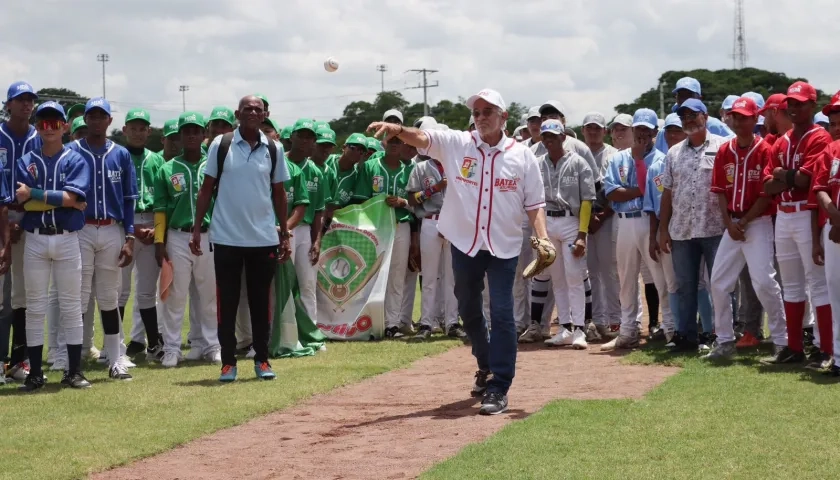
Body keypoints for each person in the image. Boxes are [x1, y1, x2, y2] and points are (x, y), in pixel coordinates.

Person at [368, 88, 550, 416]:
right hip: (465, 242)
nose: (481, 117)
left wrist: (542, 239)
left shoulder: (522, 156)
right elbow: (424, 138)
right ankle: (485, 363)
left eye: (488, 111)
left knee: (502, 311)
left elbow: (535, 203)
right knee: (467, 308)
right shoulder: (458, 144)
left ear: (503, 117)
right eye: (477, 112)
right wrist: (399, 131)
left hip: (503, 245)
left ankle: (499, 385)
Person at [194, 95, 291, 382]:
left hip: (263, 239)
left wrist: (284, 234)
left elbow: (279, 193)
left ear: (265, 115)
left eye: (257, 109)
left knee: (262, 304)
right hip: (226, 238)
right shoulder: (220, 145)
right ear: (237, 113)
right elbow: (206, 188)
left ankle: (262, 360)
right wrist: (197, 228)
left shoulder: (274, 148)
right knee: (228, 303)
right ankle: (228, 363)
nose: (251, 112)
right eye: (246, 109)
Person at [14, 101, 91, 391]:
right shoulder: (27, 160)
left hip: (67, 237)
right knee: (35, 307)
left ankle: (74, 372)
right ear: (37, 126)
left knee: (71, 306)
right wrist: (61, 198)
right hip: (34, 236)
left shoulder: (74, 159)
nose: (49, 128)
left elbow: (75, 198)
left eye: (55, 122)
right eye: (43, 122)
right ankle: (35, 373)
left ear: (65, 126)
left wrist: (35, 194)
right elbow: (21, 199)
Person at [702, 97, 786, 360]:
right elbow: (720, 192)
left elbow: (766, 195)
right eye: (735, 117)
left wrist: (744, 221)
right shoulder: (725, 150)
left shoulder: (765, 150)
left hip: (757, 223)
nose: (739, 121)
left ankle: (782, 340)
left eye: (744, 117)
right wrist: (729, 223)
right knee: (718, 281)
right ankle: (725, 341)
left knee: (763, 282)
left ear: (755, 119)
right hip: (733, 224)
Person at [761, 81, 833, 365]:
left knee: (818, 284)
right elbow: (766, 187)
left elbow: (806, 181)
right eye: (790, 103)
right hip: (785, 213)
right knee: (791, 284)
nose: (793, 107)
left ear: (812, 106)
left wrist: (782, 175)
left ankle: (825, 347)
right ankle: (794, 347)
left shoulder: (820, 137)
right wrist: (786, 177)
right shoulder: (782, 139)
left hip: (806, 213)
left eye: (800, 103)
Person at [67, 97, 137, 381]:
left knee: (109, 297)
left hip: (111, 228)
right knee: (79, 297)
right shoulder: (72, 151)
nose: (97, 120)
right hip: (81, 228)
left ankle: (116, 359)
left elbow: (129, 199)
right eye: (92, 116)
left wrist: (130, 236)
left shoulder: (120, 154)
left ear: (110, 120)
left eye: (102, 116)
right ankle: (74, 361)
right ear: (86, 119)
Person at [658, 99, 728, 352]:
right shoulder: (674, 152)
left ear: (705, 116)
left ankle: (718, 335)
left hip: (715, 228)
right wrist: (662, 229)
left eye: (692, 114)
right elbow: (667, 193)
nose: (688, 119)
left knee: (719, 285)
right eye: (683, 115)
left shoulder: (723, 147)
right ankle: (686, 336)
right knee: (685, 286)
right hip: (682, 230)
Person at [153, 112, 221, 367]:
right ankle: (171, 348)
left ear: (204, 134)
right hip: (177, 236)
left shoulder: (213, 165)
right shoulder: (167, 168)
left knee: (209, 294)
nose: (191, 135)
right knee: (176, 295)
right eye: (186, 131)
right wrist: (160, 242)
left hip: (209, 234)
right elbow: (160, 208)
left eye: (196, 130)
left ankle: (211, 345)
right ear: (179, 136)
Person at [601, 109, 671, 351]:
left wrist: (639, 168)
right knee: (626, 279)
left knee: (660, 278)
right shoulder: (619, 158)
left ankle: (670, 329)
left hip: (649, 220)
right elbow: (611, 192)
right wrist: (639, 190)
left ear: (654, 132)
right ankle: (628, 331)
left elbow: (654, 194)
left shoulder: (661, 159)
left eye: (646, 129)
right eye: (638, 128)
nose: (642, 133)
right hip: (624, 221)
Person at [533, 119, 595, 349]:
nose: (549, 140)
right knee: (557, 278)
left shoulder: (579, 163)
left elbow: (587, 199)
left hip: (570, 220)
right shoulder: (537, 163)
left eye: (553, 136)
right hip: (547, 220)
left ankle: (579, 329)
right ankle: (565, 328)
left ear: (563, 137)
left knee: (574, 276)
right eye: (545, 136)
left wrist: (582, 234)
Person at [353, 118, 416, 339]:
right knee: (372, 274)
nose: (395, 144)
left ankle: (392, 324)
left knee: (397, 275)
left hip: (401, 225)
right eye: (391, 140)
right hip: (375, 228)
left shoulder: (410, 169)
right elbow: (360, 200)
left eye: (399, 141)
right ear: (384, 142)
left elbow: (416, 202)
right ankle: (369, 323)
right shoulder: (371, 166)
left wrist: (403, 202)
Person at [406, 121, 463, 341]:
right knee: (429, 276)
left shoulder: (458, 166)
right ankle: (426, 323)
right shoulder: (421, 167)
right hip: (430, 221)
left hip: (453, 223)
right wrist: (434, 189)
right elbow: (412, 199)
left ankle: (451, 322)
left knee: (452, 277)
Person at [0, 81, 40, 383]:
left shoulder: (40, 139)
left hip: (30, 219)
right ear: (8, 104)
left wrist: (23, 219)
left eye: (30, 100)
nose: (26, 105)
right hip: (1, 215)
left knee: (23, 294)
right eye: (20, 99)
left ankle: (18, 360)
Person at [120, 108, 164, 361]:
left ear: (149, 131)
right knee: (120, 291)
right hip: (125, 225)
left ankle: (153, 345)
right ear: (125, 130)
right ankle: (114, 346)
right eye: (133, 127)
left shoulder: (156, 160)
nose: (138, 132)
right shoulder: (116, 156)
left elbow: (162, 200)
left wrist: (156, 231)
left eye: (142, 128)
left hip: (151, 223)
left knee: (147, 292)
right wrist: (132, 228)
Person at [581, 112, 620, 341]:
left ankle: (615, 320)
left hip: (607, 218)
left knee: (610, 271)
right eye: (589, 128)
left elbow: (616, 188)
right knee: (590, 271)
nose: (593, 131)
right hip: (584, 220)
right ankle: (597, 320)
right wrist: (586, 219)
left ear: (604, 131)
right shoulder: (577, 153)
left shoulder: (613, 154)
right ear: (583, 130)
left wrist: (603, 215)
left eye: (597, 128)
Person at [285, 119, 325, 323]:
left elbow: (319, 211)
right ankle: (284, 332)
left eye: (310, 137)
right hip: (281, 230)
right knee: (283, 284)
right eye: (301, 135)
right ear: (291, 137)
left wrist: (317, 241)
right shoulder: (279, 164)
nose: (305, 141)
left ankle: (312, 333)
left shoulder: (316, 171)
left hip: (305, 232)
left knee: (308, 283)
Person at [813, 94, 840, 374]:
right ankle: (839, 357)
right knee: (834, 289)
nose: (837, 125)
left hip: (836, 229)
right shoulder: (830, 151)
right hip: (834, 231)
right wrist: (834, 216)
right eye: (833, 121)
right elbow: (820, 187)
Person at [654, 77, 733, 155]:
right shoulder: (667, 126)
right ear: (676, 98)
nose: (684, 99)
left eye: (689, 95)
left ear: (700, 98)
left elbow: (733, 144)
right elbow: (660, 158)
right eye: (681, 95)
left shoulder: (713, 124)